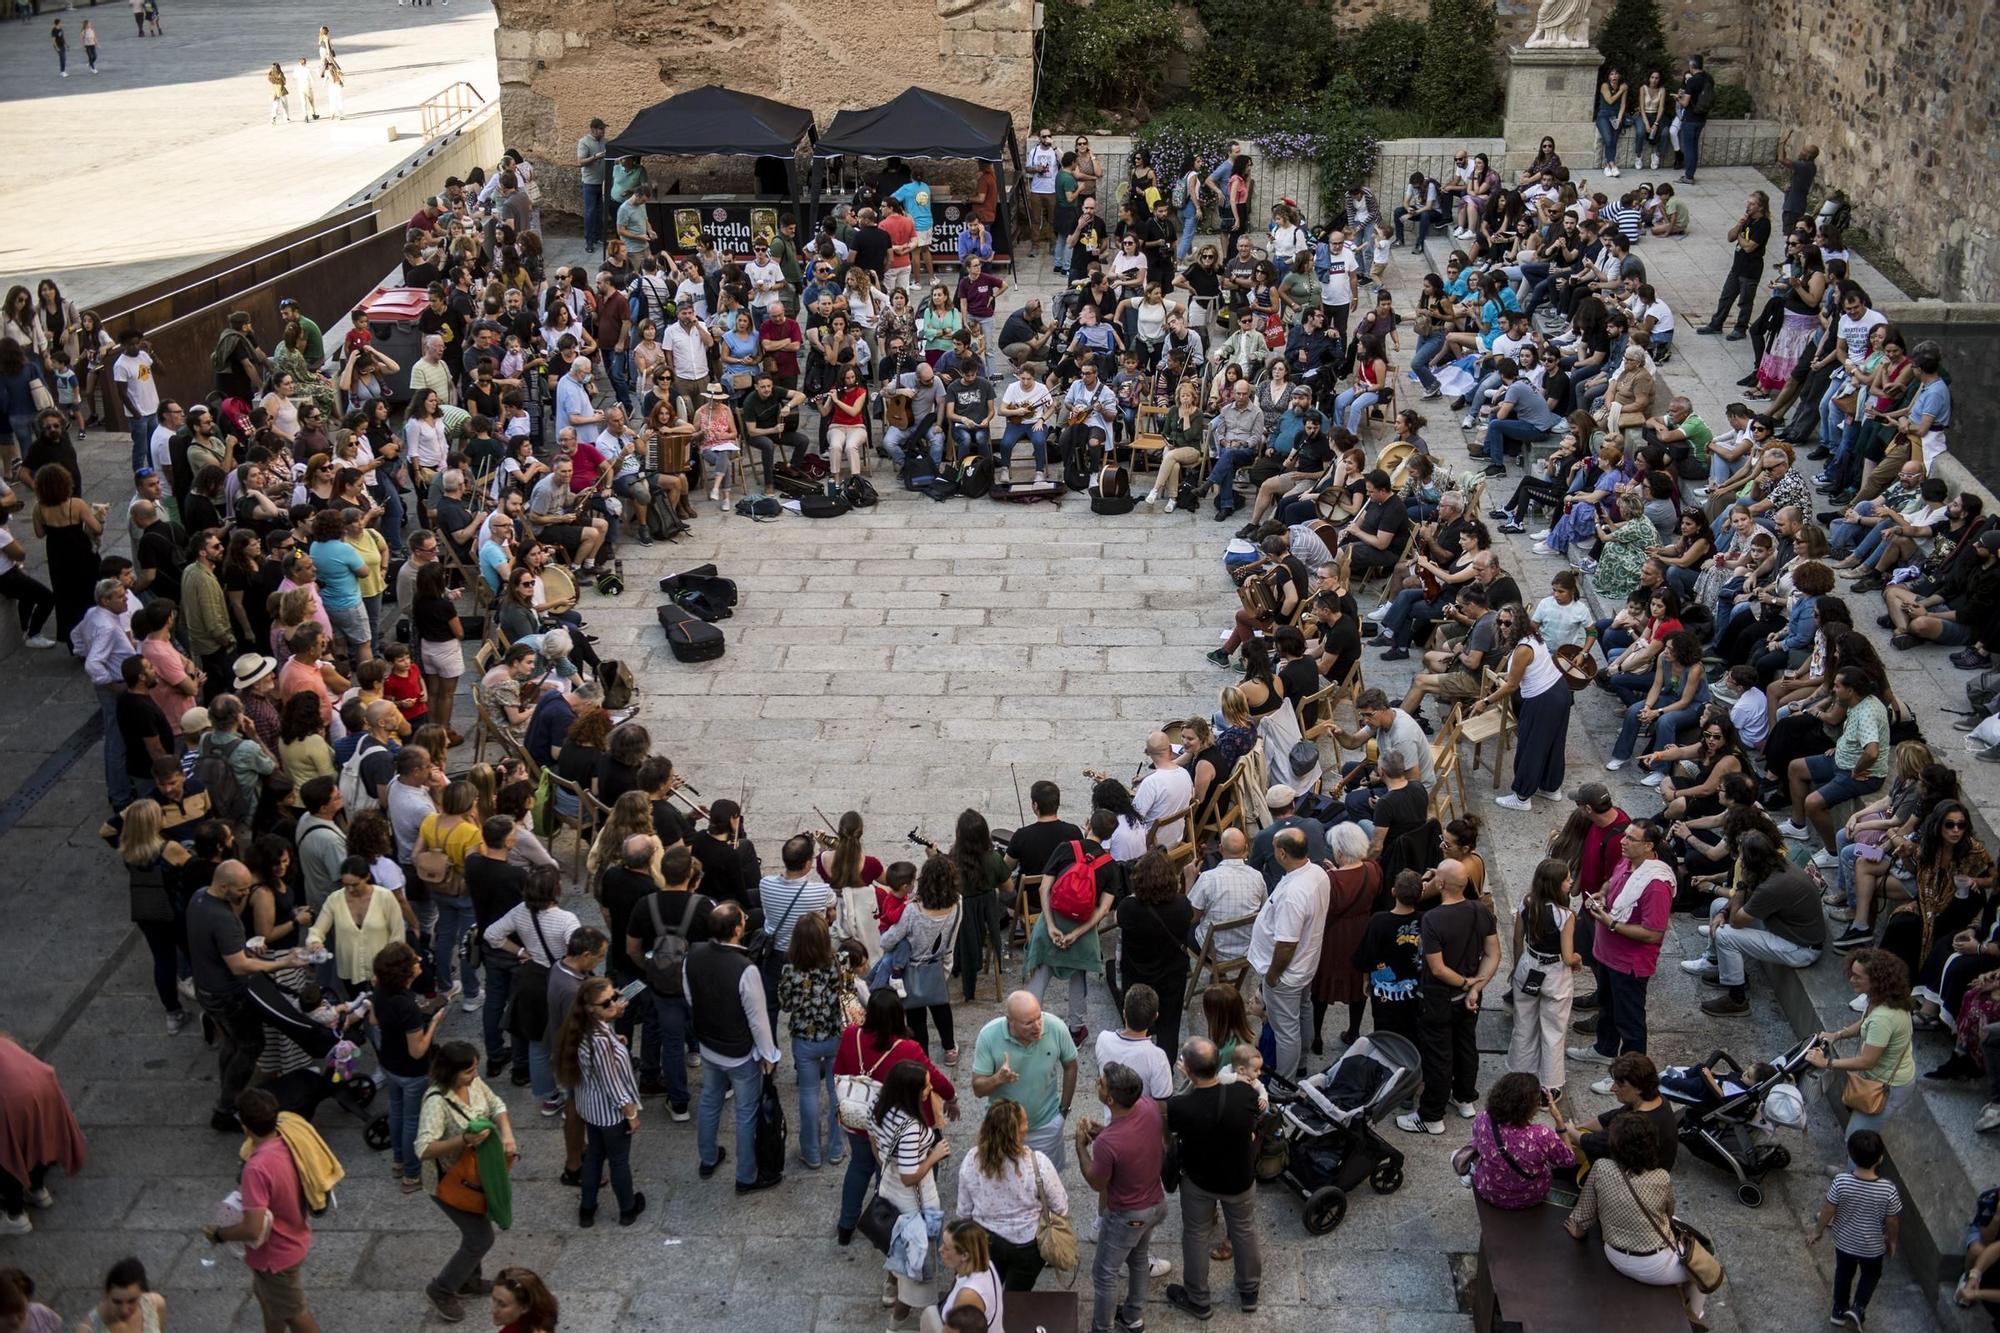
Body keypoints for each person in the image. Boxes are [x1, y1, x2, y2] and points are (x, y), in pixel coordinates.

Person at [834, 988, 958, 1246]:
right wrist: (952, 1098)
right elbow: (934, 1078)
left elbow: (838, 1071)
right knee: (886, 1174)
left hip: (857, 1117)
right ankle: (887, 1226)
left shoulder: (850, 1036)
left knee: (858, 1166)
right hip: (890, 1124)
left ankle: (846, 1225)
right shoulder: (907, 1048)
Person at [1563, 1115, 1710, 1323]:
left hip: (1614, 1254)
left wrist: (1577, 1231)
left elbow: (1583, 1216)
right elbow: (1668, 1215)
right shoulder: (1661, 1176)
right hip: (1654, 1264)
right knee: (1703, 1268)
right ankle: (1695, 1317)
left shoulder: (1601, 1167)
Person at [414, 1041, 520, 1324]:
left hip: (476, 1175)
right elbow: (423, 1148)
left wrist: (506, 1133)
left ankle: (469, 1281)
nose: (475, 1074)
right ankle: (441, 1288)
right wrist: (463, 1140)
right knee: (480, 1237)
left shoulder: (474, 1083)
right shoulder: (436, 1102)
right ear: (451, 1072)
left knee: (476, 1225)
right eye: (469, 1070)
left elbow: (496, 1103)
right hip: (450, 1182)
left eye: (475, 1068)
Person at [199, 1088, 321, 1332]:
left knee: (294, 1313)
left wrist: (219, 1234)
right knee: (267, 1299)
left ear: (244, 1126)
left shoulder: (256, 1168)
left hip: (275, 1255)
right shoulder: (288, 1141)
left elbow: (253, 1227)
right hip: (294, 1237)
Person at [685, 901, 783, 1192]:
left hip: (708, 1043)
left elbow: (690, 996)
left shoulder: (693, 955)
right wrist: (769, 1054)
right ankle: (746, 1175)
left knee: (710, 1098)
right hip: (739, 1052)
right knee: (745, 1112)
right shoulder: (745, 968)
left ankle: (708, 1156)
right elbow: (757, 1019)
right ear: (738, 929)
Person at [1164, 1036, 1263, 1320]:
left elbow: (1173, 1124)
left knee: (1196, 1234)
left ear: (1189, 1070)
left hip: (1200, 1181)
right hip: (1239, 1178)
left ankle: (1198, 1299)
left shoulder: (1180, 1106)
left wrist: (1188, 1082)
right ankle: (1249, 1292)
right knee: (1244, 1230)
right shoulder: (1244, 1095)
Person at [1398, 860, 1499, 1135]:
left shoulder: (1433, 919)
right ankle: (1465, 1098)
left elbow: (1438, 968)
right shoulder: (1480, 910)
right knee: (1466, 1047)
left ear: (1440, 884)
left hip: (1438, 998)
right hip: (1469, 999)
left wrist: (1466, 983)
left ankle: (1431, 1116)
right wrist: (1476, 987)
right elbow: (1493, 954)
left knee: (1438, 1055)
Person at [1680, 831, 1825, 1016]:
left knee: (1725, 935)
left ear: (1751, 860)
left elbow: (1737, 921)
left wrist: (1741, 883)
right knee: (1718, 906)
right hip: (1783, 927)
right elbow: (1738, 907)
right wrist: (1723, 912)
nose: (1739, 860)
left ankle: (1737, 999)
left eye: (1741, 856)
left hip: (1800, 947)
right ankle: (1718, 963)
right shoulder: (1773, 865)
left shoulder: (1774, 884)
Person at [1569, 820, 1672, 1069]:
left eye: (1631, 839)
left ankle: (1632, 1073)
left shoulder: (1656, 885)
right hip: (1607, 955)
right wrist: (1603, 894)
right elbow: (1611, 881)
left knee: (1630, 1021)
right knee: (1607, 1008)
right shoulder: (1627, 861)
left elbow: (1653, 933)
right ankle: (1604, 1049)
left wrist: (1612, 924)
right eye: (1624, 836)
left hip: (1629, 964)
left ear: (1648, 846)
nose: (1623, 842)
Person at [1077, 1062, 1169, 1333]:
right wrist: (1101, 1133)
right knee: (1139, 1259)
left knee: (1104, 1273)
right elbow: (1130, 1141)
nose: (1097, 1081)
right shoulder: (1148, 1107)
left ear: (1110, 1099)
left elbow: (1096, 1181)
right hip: (1155, 1204)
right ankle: (1133, 1317)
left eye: (1101, 1082)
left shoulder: (1108, 1143)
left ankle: (1102, 1327)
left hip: (1128, 1215)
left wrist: (1081, 1147)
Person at [1806, 950, 1917, 1163]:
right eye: (1852, 973)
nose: (1851, 979)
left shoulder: (1884, 1018)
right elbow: (1866, 1022)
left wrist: (1827, 1062)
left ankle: (1851, 1181)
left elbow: (1867, 1060)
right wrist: (1838, 1035)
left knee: (1856, 1139)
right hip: (1889, 1078)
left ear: (1876, 980)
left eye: (1858, 976)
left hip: (1888, 1087)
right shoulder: (1882, 1000)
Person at [555, 975, 646, 1228]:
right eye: (607, 1003)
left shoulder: (583, 1029)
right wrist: (631, 1113)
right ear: (591, 1009)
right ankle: (627, 1208)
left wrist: (616, 1040)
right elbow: (612, 1083)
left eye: (615, 996)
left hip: (589, 1107)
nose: (615, 1004)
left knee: (594, 1155)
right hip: (611, 1115)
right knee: (618, 1160)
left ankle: (587, 1209)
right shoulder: (599, 1042)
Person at [956, 1098, 1069, 1291]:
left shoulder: (971, 1161)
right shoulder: (1038, 1163)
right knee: (1018, 1294)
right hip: (1028, 1246)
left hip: (985, 1243)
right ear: (1017, 1133)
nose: (1028, 1125)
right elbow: (1061, 1206)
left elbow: (963, 1212)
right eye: (1024, 1122)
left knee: (987, 1290)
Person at [777, 912, 861, 1170]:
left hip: (804, 1040)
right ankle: (836, 1148)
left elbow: (785, 1004)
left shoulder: (790, 970)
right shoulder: (840, 962)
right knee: (837, 1093)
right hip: (835, 1035)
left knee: (809, 1094)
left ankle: (811, 1152)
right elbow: (850, 993)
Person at [873, 1060, 952, 1322]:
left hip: (888, 1190)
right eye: (926, 1087)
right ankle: (900, 1317)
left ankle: (889, 1282)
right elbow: (910, 1177)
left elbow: (875, 1142)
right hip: (914, 1203)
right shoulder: (911, 1129)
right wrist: (934, 1155)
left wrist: (889, 1159)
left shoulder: (879, 1107)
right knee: (917, 1268)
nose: (930, 1090)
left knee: (894, 1243)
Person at [1247, 829, 1329, 1079]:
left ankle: (1284, 1082)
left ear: (1282, 853)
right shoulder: (1316, 872)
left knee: (1286, 1031)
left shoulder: (1294, 894)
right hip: (1305, 965)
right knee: (1303, 1013)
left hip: (1286, 974)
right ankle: (1301, 1063)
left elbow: (1286, 944)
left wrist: (1272, 976)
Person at [972, 990, 1080, 1171]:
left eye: (1039, 1018)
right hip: (1003, 1130)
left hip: (1045, 1127)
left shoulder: (1055, 1027)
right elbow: (977, 1089)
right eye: (1028, 1023)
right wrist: (997, 1079)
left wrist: (1063, 1111)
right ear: (1010, 1021)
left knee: (1047, 1185)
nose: (1037, 1026)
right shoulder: (988, 1036)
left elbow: (1071, 1066)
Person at [373, 941, 448, 1193]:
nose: (418, 960)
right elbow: (417, 1050)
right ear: (405, 971)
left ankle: (398, 1161)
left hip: (388, 1063)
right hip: (411, 1071)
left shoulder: (380, 989)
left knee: (396, 1111)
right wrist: (434, 1022)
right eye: (414, 960)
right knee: (412, 1121)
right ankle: (412, 1174)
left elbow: (374, 1018)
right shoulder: (406, 1005)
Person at [1810, 1129, 1902, 1328]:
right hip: (1873, 1247)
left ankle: (1839, 1309)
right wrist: (1892, 1240)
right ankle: (1858, 1307)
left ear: (1850, 1155)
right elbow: (1892, 1220)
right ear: (1880, 1158)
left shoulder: (1841, 1181)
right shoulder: (1888, 1189)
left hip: (1844, 1243)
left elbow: (1828, 1209)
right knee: (1871, 1274)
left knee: (1843, 1273)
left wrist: (1818, 1231)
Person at [1506, 858, 1580, 1096]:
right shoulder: (1565, 916)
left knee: (1523, 1024)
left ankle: (1519, 1078)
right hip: (1555, 972)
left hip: (1528, 964)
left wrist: (1517, 967)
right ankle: (1550, 1088)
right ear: (1555, 884)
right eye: (1567, 879)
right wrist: (1578, 958)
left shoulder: (1527, 903)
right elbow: (1568, 957)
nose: (1571, 882)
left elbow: (1518, 939)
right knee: (1553, 1031)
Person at [0, 1034, 85, 1237]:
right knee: (36, 1136)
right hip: (40, 1082)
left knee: (6, 1149)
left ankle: (15, 1215)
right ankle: (37, 1189)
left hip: (11, 1097)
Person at [1311, 822, 1380, 1053]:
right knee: (1358, 985)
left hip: (1333, 937)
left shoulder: (1330, 881)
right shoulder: (1373, 869)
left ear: (1339, 852)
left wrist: (1333, 873)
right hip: (1361, 933)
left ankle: (1316, 1036)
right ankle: (1353, 1031)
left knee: (1321, 987)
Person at [1116, 851, 1194, 1057]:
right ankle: (1165, 1068)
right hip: (1171, 975)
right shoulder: (1182, 906)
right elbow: (1190, 916)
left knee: (1136, 1024)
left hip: (1137, 975)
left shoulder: (1128, 908)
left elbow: (1119, 921)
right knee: (1170, 1025)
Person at [1466, 1072, 1575, 1209]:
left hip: (1489, 1191)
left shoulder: (1483, 1118)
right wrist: (1559, 1121)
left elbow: (1478, 1142)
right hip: (1531, 1197)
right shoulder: (1542, 1135)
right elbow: (1569, 1161)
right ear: (1531, 1106)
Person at [925, 1220, 1006, 1333]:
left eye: (946, 1248)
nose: (940, 1250)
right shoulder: (986, 1263)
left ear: (964, 1255)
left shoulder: (968, 1296)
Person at [77, 1256, 167, 1332]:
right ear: (106, 1294)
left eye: (132, 1301)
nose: (124, 1310)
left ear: (143, 1292)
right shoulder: (88, 1329)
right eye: (117, 1302)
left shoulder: (156, 1304)